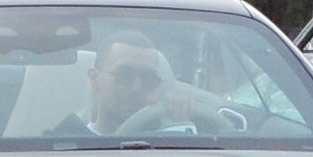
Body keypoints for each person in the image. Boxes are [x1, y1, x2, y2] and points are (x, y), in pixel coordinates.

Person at [51, 32, 220, 138]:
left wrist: (184, 127)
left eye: (148, 79)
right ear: (94, 78)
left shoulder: (176, 142)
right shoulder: (60, 146)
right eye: (124, 75)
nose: (136, 87)